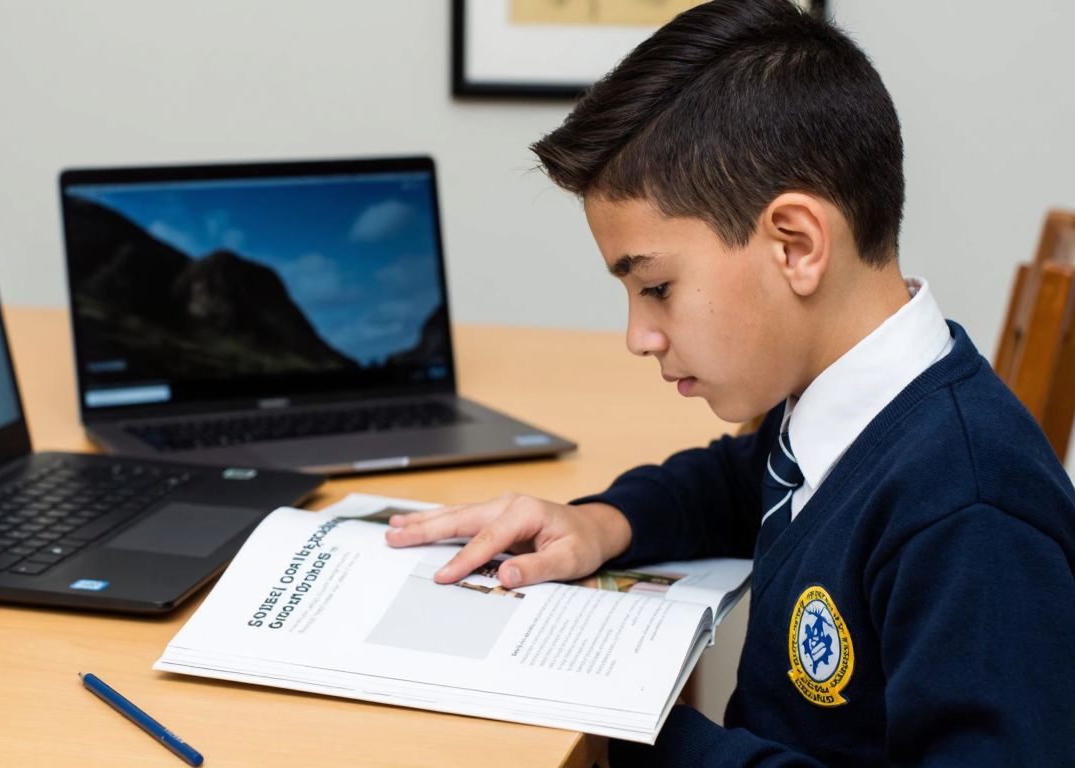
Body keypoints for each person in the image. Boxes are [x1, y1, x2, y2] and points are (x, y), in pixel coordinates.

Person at [385, 1, 1075, 764]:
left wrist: (631, 727)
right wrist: (606, 522)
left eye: (655, 287)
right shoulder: (842, 408)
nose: (637, 337)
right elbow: (743, 480)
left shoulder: (970, 514)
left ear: (797, 246)